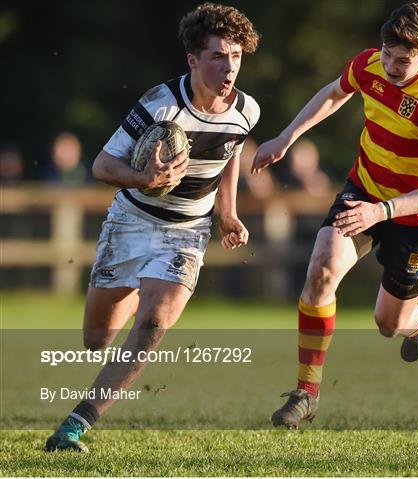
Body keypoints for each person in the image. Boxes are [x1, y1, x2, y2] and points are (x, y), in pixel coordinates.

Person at [45, 2, 260, 451]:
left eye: (236, 56)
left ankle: (76, 424)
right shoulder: (161, 104)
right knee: (95, 340)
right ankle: (137, 293)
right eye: (219, 56)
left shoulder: (246, 111)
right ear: (194, 59)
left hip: (186, 232)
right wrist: (145, 178)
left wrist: (228, 212)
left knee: (155, 322)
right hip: (131, 221)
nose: (229, 67)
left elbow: (232, 153)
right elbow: (103, 164)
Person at [252, 2, 418, 429]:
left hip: (416, 220)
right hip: (363, 189)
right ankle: (306, 393)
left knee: (389, 323)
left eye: (404, 61)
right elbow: (334, 92)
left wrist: (381, 211)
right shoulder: (369, 64)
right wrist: (287, 137)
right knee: (321, 269)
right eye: (388, 55)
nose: (392, 66)